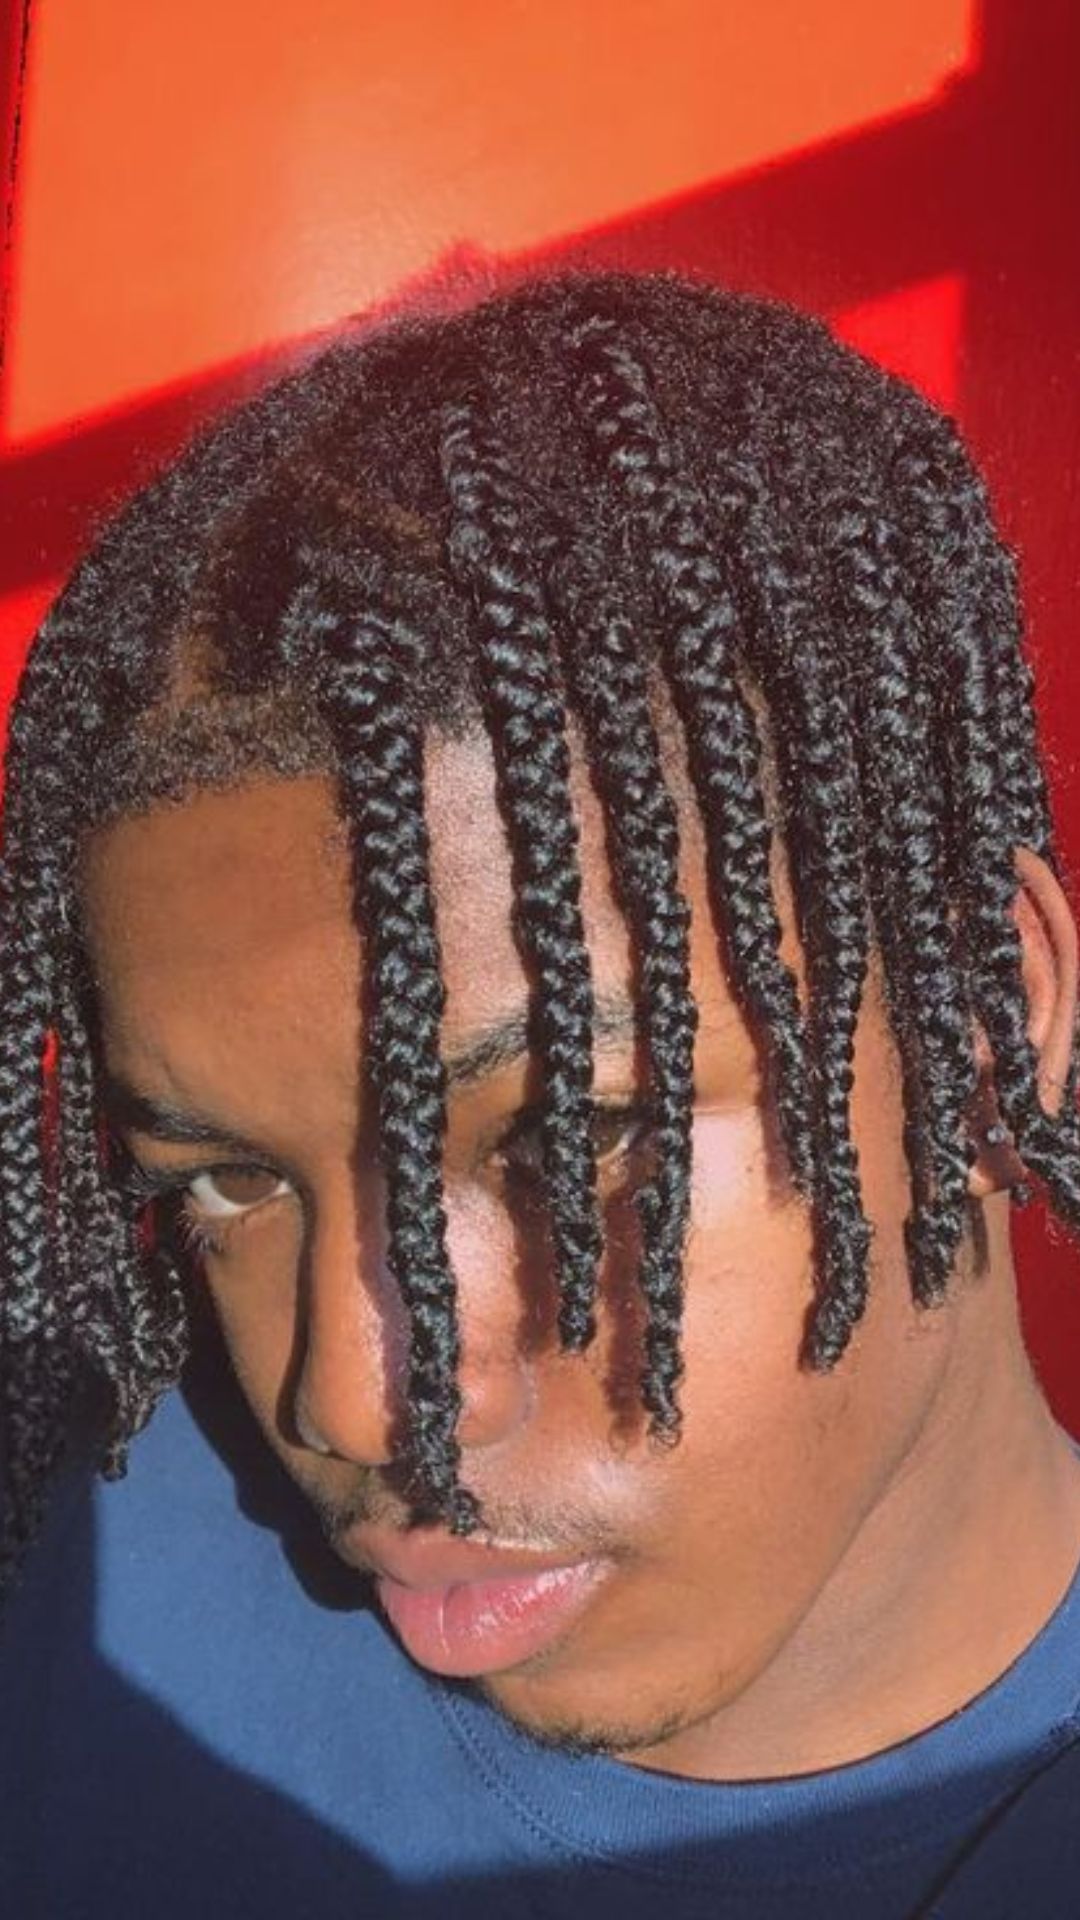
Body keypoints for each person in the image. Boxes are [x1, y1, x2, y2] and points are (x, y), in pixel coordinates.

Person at [1, 268, 1079, 1918]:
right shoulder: (55, 1589)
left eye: (569, 1142)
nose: (359, 1406)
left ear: (990, 1016)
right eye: (225, 1179)